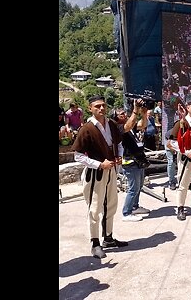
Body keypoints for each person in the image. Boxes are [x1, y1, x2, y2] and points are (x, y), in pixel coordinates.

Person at [72, 95, 126, 259]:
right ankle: (95, 243)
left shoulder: (111, 124)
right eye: (97, 106)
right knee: (94, 208)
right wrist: (98, 164)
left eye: (103, 105)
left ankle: (108, 238)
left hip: (111, 171)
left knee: (111, 204)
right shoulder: (87, 128)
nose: (101, 109)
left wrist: (119, 157)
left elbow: (119, 144)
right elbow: (78, 156)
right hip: (95, 173)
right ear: (90, 108)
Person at [115, 104, 151, 222]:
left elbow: (142, 125)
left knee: (139, 186)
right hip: (129, 162)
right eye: (121, 114)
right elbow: (129, 124)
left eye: (124, 113)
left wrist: (144, 114)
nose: (124, 114)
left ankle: (135, 207)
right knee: (133, 188)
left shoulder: (130, 128)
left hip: (138, 160)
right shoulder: (119, 128)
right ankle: (126, 212)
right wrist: (136, 110)